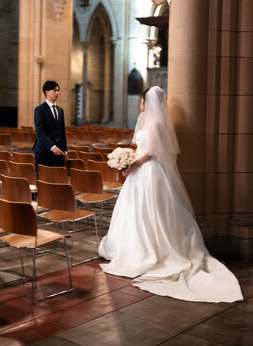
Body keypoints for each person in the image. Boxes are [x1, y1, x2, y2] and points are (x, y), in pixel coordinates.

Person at [98, 86, 243, 303]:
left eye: (142, 100)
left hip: (148, 172)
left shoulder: (156, 123)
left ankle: (152, 250)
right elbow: (140, 148)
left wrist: (132, 165)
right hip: (138, 173)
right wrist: (127, 162)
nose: (141, 104)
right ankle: (131, 245)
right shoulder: (145, 119)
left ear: (146, 102)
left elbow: (151, 152)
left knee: (151, 211)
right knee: (135, 211)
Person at [33, 80, 68, 168]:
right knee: (42, 178)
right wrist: (52, 147)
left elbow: (62, 132)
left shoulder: (60, 110)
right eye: (54, 90)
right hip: (43, 151)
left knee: (57, 178)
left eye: (58, 90)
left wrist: (65, 150)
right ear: (47, 92)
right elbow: (40, 132)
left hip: (59, 151)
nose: (57, 93)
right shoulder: (40, 109)